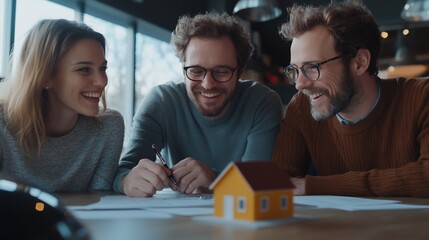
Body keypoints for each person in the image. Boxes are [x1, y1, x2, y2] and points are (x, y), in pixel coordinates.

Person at [113, 12, 284, 197]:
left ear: (240, 72)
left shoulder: (262, 103)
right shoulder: (161, 102)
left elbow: (259, 181)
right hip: (177, 221)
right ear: (183, 68)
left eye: (221, 71)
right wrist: (127, 181)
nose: (208, 84)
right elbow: (123, 171)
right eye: (195, 71)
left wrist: (215, 179)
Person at [272, 1, 429, 197]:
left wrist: (315, 186)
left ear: (360, 62)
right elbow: (277, 183)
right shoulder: (302, 108)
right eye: (294, 70)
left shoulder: (422, 98)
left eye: (312, 67)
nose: (300, 84)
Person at [0, 19, 124, 192]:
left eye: (102, 68)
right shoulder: (2, 127)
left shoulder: (108, 128)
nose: (102, 81)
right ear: (45, 76)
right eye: (84, 69)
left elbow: (101, 200)